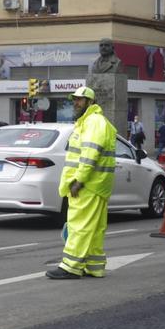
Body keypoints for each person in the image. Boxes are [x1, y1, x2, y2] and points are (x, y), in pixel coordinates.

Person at [46, 87, 117, 280]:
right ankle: (94, 266)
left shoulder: (93, 122)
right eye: (74, 100)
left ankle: (71, 266)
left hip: (88, 185)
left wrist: (79, 181)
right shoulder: (92, 122)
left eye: (80, 100)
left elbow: (90, 154)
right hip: (97, 185)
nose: (76, 103)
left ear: (90, 102)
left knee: (79, 226)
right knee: (94, 228)